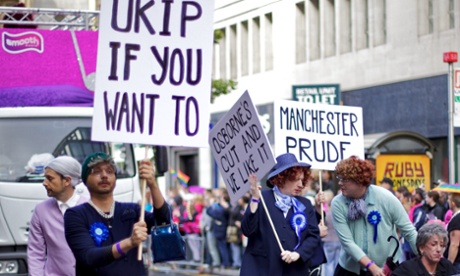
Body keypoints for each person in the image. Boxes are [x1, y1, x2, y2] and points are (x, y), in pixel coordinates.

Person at [64, 152, 170, 275]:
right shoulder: (75, 215)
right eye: (97, 171)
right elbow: (89, 257)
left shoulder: (132, 210)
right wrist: (129, 243)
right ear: (85, 180)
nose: (104, 175)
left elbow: (163, 222)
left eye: (109, 171)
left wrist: (152, 184)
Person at [331, 155, 417, 276]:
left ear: (359, 181)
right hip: (350, 270)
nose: (340, 183)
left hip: (387, 267)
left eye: (345, 179)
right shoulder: (337, 203)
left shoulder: (386, 198)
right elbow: (347, 243)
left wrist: (425, 259)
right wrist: (371, 266)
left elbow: (409, 231)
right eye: (339, 178)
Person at [241, 153, 324, 275]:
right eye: (296, 179)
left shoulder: (305, 204)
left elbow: (313, 236)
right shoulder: (261, 198)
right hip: (262, 269)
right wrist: (254, 199)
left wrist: (298, 253)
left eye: (302, 180)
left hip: (294, 270)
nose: (301, 185)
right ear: (281, 178)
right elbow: (247, 230)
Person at [27, 156, 88, 276]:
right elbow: (35, 252)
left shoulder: (90, 208)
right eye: (45, 178)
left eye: (50, 178)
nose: (44, 183)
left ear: (67, 181)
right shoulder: (41, 210)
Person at [392, 222, 457, 275]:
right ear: (421, 248)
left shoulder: (447, 266)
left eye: (442, 245)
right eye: (433, 244)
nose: (439, 249)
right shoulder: (407, 269)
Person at [446, 192, 460, 269]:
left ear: (453, 203)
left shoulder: (457, 219)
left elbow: (454, 244)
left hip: (457, 262)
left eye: (449, 200)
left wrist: (448, 266)